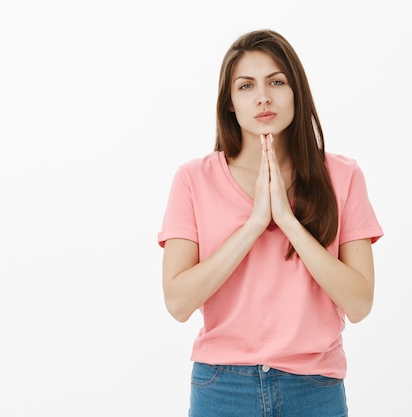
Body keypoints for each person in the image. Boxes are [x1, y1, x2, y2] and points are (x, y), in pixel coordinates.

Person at [157, 29, 383, 417]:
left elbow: (360, 303)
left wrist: (288, 222)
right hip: (222, 387)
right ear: (229, 103)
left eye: (276, 81)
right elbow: (177, 302)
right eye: (246, 86)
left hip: (314, 387)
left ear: (296, 91)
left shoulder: (343, 176)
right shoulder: (193, 179)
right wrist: (254, 224)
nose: (263, 96)